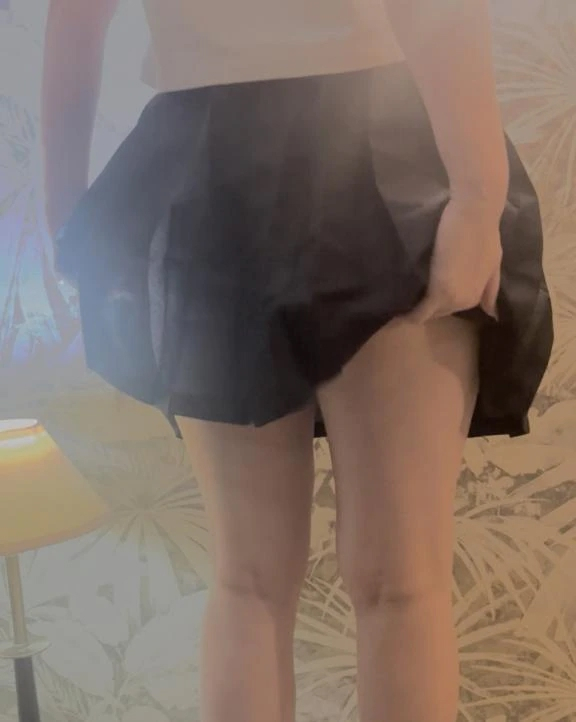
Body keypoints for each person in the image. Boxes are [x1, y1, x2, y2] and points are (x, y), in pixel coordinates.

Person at [42, 1, 553, 721]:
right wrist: (475, 195)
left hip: (209, 167)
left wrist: (65, 219)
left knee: (247, 582)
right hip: (379, 140)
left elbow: (73, 18)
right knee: (400, 581)